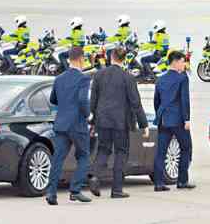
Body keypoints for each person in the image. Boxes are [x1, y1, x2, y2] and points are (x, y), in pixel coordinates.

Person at [88, 47, 149, 199]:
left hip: (103, 120)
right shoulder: (128, 78)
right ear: (124, 59)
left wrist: (93, 122)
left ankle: (94, 177)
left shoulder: (99, 75)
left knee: (103, 150)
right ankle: (117, 189)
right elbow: (136, 103)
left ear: (111, 57)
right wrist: (144, 124)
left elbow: (93, 101)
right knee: (121, 153)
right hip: (121, 122)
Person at [45, 47, 92, 205]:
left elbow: (53, 100)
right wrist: (88, 115)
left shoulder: (59, 79)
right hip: (78, 124)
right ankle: (75, 190)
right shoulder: (84, 79)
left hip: (61, 124)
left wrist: (65, 106)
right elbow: (83, 100)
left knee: (58, 158)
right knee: (84, 156)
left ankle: (51, 193)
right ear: (80, 59)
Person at [153, 51, 194, 191]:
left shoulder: (160, 78)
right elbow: (184, 100)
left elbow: (156, 101)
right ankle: (182, 181)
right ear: (175, 62)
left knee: (161, 152)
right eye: (183, 61)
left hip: (163, 119)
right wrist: (187, 119)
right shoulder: (182, 78)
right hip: (178, 120)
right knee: (186, 148)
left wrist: (160, 115)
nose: (184, 64)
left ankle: (158, 183)